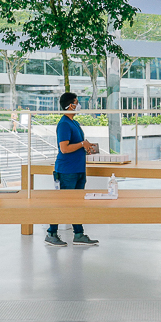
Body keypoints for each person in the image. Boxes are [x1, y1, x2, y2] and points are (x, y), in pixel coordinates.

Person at [45, 92, 99, 247]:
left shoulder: (74, 123)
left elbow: (77, 144)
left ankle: (79, 234)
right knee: (62, 203)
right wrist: (82, 144)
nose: (78, 104)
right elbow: (64, 148)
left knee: (77, 204)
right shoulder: (63, 124)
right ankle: (51, 233)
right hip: (67, 171)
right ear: (69, 105)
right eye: (76, 102)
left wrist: (86, 146)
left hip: (78, 169)